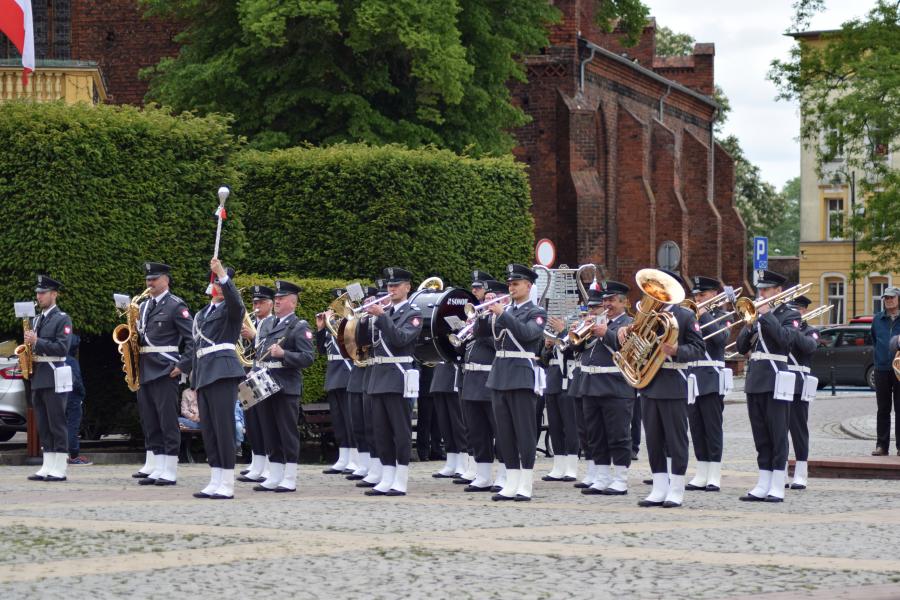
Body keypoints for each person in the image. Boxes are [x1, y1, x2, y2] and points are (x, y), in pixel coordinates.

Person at [633, 269, 705, 508]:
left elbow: (698, 349)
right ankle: (658, 487)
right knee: (653, 440)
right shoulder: (645, 314)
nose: (656, 294)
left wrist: (677, 351)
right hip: (649, 383)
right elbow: (636, 343)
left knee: (675, 439)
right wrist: (625, 336)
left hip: (673, 383)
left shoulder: (684, 316)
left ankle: (676, 489)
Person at [735, 270, 806, 503]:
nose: (761, 293)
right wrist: (749, 323)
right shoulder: (758, 315)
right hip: (755, 379)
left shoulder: (790, 314)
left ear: (778, 291)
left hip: (777, 378)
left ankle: (777, 483)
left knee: (777, 434)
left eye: (766, 290)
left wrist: (766, 316)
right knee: (761, 435)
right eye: (760, 290)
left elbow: (785, 340)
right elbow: (741, 346)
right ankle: (762, 482)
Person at [487, 264, 547, 502]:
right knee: (504, 433)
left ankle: (525, 482)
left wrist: (503, 314)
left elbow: (528, 334)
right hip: (500, 374)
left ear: (529, 286)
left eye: (516, 283)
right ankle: (511, 480)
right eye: (510, 283)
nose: (511, 287)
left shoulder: (536, 312)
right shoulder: (505, 310)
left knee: (524, 431)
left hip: (522, 374)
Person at [251, 279, 316, 493]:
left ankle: (289, 476)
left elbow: (308, 358)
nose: (277, 301)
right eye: (276, 298)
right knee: (269, 430)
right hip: (264, 383)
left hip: (285, 385)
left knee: (286, 431)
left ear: (293, 302)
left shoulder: (299, 326)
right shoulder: (268, 324)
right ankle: (275, 473)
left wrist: (284, 354)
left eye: (281, 298)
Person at [363, 267, 422, 497]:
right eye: (389, 286)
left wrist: (381, 316)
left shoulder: (413, 313)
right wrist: (365, 319)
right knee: (381, 431)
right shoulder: (383, 312)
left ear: (407, 287)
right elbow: (363, 342)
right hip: (378, 377)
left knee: (400, 429)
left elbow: (401, 339)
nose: (392, 289)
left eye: (397, 285)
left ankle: (401, 479)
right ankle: (387, 477)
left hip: (398, 375)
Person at [134, 262, 194, 486]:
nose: (150, 283)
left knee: (167, 420)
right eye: (148, 279)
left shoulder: (176, 306)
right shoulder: (143, 307)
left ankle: (170, 468)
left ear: (166, 280)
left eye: (154, 279)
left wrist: (183, 366)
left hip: (165, 369)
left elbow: (192, 340)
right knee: (150, 420)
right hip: (145, 369)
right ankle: (157, 466)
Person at [191, 259, 246, 500]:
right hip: (204, 372)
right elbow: (196, 348)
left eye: (221, 283)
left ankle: (227, 481)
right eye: (215, 282)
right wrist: (193, 382)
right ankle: (215, 478)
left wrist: (223, 274)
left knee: (224, 427)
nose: (218, 287)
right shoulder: (202, 314)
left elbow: (236, 303)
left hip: (223, 371)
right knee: (210, 429)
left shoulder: (230, 310)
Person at [577, 282, 636, 496]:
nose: (607, 304)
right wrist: (579, 331)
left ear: (623, 302)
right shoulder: (598, 322)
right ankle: (601, 477)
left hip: (616, 385)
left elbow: (630, 349)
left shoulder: (630, 323)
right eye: (605, 300)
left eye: (611, 300)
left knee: (618, 435)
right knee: (596, 435)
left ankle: (620, 479)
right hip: (591, 385)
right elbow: (576, 348)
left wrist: (605, 333)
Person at [25, 274, 73, 482]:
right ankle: (47, 464)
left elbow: (63, 347)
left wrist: (37, 341)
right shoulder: (36, 319)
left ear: (54, 294)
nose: (39, 296)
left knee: (57, 422)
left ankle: (60, 466)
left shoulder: (62, 318)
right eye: (38, 293)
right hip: (39, 375)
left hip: (55, 373)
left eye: (43, 293)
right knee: (43, 423)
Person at [685, 276, 731, 493]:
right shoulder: (690, 317)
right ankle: (701, 471)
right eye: (696, 295)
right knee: (696, 428)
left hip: (711, 377)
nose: (697, 299)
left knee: (712, 428)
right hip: (692, 377)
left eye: (702, 295)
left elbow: (721, 340)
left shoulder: (723, 316)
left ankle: (714, 473)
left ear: (714, 294)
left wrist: (703, 314)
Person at [460, 279, 506, 492]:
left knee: (500, 431)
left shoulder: (504, 320)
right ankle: (483, 474)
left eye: (492, 299)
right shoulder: (482, 320)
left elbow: (497, 344)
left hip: (491, 382)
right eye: (485, 299)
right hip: (472, 382)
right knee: (477, 432)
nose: (487, 303)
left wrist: (485, 323)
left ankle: (506, 474)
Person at [238, 285, 274, 482]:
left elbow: (270, 347)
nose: (256, 306)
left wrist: (254, 337)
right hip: (249, 373)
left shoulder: (273, 322)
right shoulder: (252, 322)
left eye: (260, 303)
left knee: (265, 422)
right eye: (254, 303)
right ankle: (257, 462)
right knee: (252, 422)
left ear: (270, 304)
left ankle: (269, 464)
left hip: (265, 374)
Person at [318, 288, 356, 475]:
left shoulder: (350, 323)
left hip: (347, 371)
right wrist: (320, 329)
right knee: (339, 419)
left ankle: (355, 457)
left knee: (350, 419)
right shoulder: (331, 324)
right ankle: (344, 456)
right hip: (334, 373)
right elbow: (322, 351)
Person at [785, 295, 819, 490]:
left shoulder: (810, 331)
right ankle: (779, 471)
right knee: (779, 430)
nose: (793, 312)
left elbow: (809, 347)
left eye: (797, 309)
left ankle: (801, 473)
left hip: (799, 385)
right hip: (780, 383)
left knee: (798, 430)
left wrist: (794, 329)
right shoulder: (783, 328)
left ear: (804, 311)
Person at [540, 316, 579, 483]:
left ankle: (571, 466)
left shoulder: (571, 335)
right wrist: (547, 347)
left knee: (570, 426)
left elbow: (571, 350)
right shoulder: (554, 338)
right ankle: (558, 465)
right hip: (553, 383)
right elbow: (543, 361)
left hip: (567, 382)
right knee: (555, 426)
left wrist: (563, 331)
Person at [346, 285, 379, 481]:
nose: (367, 305)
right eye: (365, 302)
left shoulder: (377, 320)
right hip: (358, 373)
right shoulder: (361, 320)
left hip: (373, 370)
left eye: (370, 301)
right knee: (357, 421)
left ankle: (376, 466)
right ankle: (364, 463)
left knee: (372, 424)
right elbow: (348, 344)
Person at [870, 286, 900, 456]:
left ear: (898, 299)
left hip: (899, 370)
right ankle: (882, 445)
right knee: (883, 408)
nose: (888, 300)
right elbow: (875, 340)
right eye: (886, 298)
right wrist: (881, 357)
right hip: (881, 368)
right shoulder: (877, 319)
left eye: (892, 297)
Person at [430, 359, 469, 480]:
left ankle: (463, 463)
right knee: (444, 424)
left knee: (457, 424)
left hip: (455, 372)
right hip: (440, 373)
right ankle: (451, 462)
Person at [64, 333, 91, 466]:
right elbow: (76, 381)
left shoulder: (57, 358)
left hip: (60, 397)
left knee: (60, 425)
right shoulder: (72, 360)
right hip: (73, 397)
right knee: (72, 426)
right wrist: (82, 393)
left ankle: (59, 453)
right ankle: (74, 455)